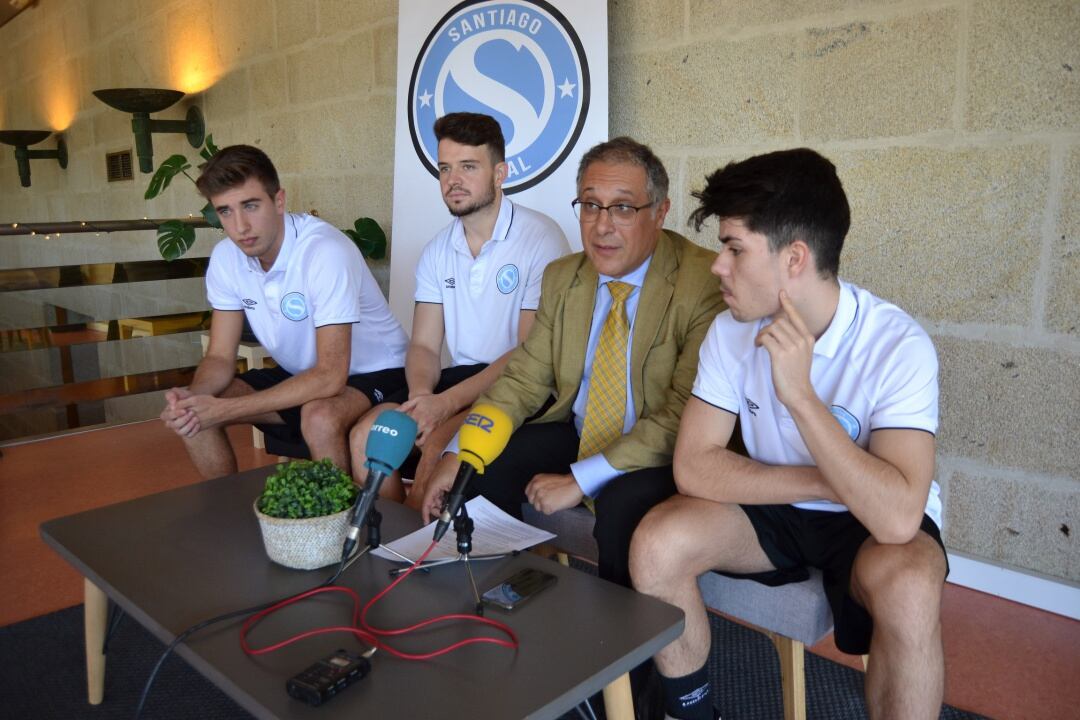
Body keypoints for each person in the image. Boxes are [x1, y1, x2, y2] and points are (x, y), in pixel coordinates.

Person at [629, 148, 947, 720]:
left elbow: (897, 515)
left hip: (870, 519)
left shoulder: (899, 345)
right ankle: (694, 713)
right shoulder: (730, 332)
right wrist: (822, 485)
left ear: (794, 258)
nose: (717, 266)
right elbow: (695, 466)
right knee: (658, 543)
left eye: (734, 248)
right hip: (788, 499)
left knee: (911, 585)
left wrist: (799, 395)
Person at [421, 136, 724, 589]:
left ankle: (629, 652)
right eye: (590, 205)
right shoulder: (564, 276)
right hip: (579, 429)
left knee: (623, 509)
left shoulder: (704, 281)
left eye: (623, 208)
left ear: (660, 213)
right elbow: (523, 380)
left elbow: (683, 413)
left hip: (659, 448)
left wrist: (580, 481)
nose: (602, 227)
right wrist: (458, 456)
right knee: (484, 471)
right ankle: (498, 609)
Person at [348, 113, 568, 504]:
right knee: (367, 434)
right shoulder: (437, 250)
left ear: (499, 173)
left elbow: (528, 354)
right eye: (445, 168)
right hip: (460, 379)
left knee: (437, 445)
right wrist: (420, 399)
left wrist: (444, 405)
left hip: (522, 386)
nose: (453, 180)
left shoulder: (540, 237)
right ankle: (386, 541)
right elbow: (425, 347)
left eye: (468, 167)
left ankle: (414, 555)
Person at [160, 145, 408, 478]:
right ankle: (226, 512)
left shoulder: (324, 252)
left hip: (381, 371)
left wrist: (223, 410)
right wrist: (195, 402)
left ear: (279, 200)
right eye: (226, 211)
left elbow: (331, 375)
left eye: (250, 206)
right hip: (305, 373)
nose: (241, 226)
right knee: (195, 413)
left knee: (319, 417)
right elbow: (219, 357)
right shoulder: (225, 258)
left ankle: (333, 527)